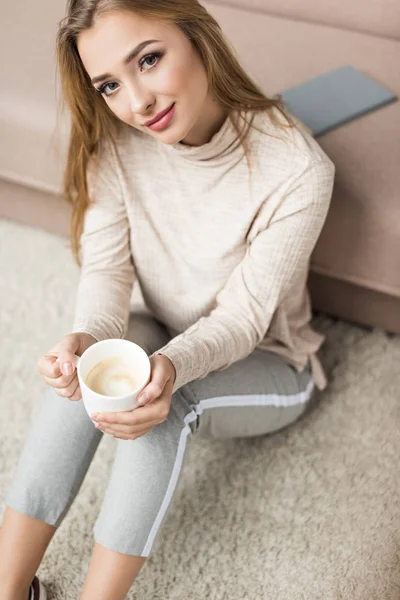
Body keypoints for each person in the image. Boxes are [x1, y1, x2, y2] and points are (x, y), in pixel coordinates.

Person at [0, 0, 335, 598]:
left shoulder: (298, 169)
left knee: (162, 405)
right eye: (109, 84)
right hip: (154, 324)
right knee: (91, 373)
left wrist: (173, 368)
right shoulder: (115, 141)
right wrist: (86, 339)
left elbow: (241, 319)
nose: (137, 102)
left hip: (271, 360)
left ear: (198, 36)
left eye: (149, 60)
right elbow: (106, 269)